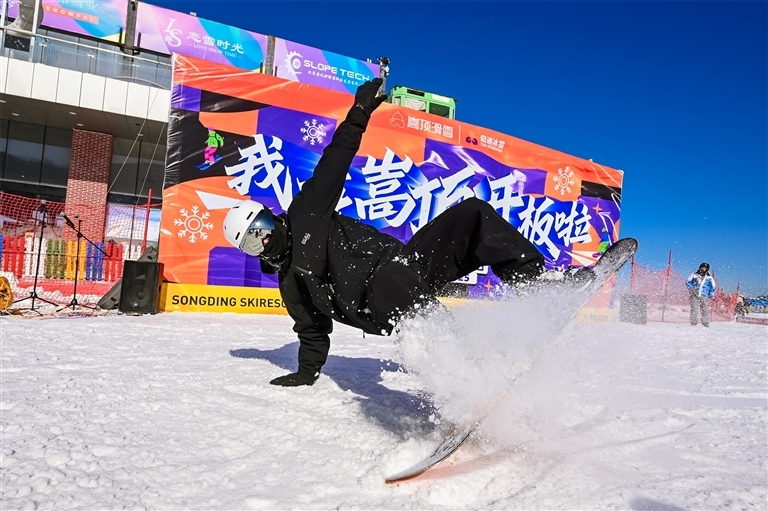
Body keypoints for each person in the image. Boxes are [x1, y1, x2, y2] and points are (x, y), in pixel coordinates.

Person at [222, 78, 568, 387]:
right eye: (252, 241)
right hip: (379, 302)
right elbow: (312, 330)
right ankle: (467, 365)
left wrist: (359, 111)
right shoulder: (291, 283)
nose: (264, 240)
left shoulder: (306, 212)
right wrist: (305, 372)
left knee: (472, 213)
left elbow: (336, 156)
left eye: (262, 228)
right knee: (388, 279)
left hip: (407, 264)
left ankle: (539, 285)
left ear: (271, 217)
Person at [686, 262, 716, 327]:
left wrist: (710, 295)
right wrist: (692, 289)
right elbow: (688, 282)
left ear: (707, 269)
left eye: (705, 268)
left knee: (705, 309)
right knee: (694, 309)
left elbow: (712, 287)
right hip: (695, 295)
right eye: (702, 267)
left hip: (704, 296)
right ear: (700, 267)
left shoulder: (709, 278)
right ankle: (693, 323)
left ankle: (705, 323)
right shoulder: (694, 275)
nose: (703, 269)